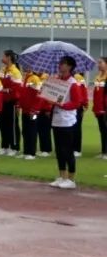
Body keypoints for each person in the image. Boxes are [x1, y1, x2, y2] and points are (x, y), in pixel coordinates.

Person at [48, 55, 81, 190]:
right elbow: (51, 96)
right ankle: (62, 176)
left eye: (63, 63)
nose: (60, 65)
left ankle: (71, 179)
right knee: (59, 150)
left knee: (67, 150)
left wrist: (61, 105)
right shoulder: (57, 80)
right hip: (56, 118)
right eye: (60, 63)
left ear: (70, 67)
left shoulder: (73, 83)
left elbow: (76, 103)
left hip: (67, 120)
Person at [0, 50, 23, 157]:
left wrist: (17, 103)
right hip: (3, 101)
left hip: (12, 102)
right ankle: (5, 146)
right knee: (3, 124)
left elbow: (17, 89)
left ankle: (15, 147)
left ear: (9, 57)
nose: (2, 58)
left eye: (4, 56)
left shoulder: (15, 71)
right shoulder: (3, 69)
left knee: (12, 125)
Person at [19, 70, 43, 160]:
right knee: (25, 131)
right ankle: (26, 151)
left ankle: (32, 153)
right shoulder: (26, 78)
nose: (25, 69)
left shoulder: (35, 79)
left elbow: (39, 95)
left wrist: (35, 109)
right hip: (25, 109)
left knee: (32, 130)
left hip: (32, 110)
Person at [94, 58, 107, 159]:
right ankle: (104, 152)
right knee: (102, 130)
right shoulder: (98, 76)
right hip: (98, 109)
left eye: (100, 63)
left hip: (105, 109)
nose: (98, 65)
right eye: (98, 63)